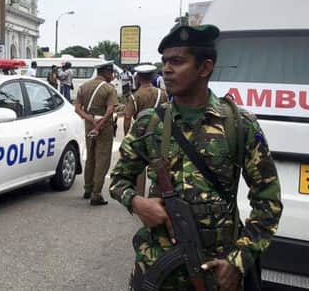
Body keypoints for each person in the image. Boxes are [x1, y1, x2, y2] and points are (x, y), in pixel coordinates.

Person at [109, 24, 282, 291]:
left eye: (177, 61)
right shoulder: (149, 123)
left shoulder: (239, 124)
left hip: (216, 271)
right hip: (157, 269)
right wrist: (137, 203)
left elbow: (267, 202)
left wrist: (238, 261)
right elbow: (119, 179)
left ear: (205, 68)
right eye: (165, 61)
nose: (167, 69)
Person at [74, 61, 118, 206]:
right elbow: (110, 110)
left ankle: (87, 188)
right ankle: (96, 194)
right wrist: (98, 125)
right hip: (103, 126)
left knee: (90, 156)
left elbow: (78, 109)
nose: (112, 76)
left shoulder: (83, 87)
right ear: (105, 72)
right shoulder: (109, 89)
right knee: (102, 158)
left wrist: (90, 120)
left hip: (89, 125)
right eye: (111, 73)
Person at [123, 64, 168, 197]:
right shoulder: (162, 93)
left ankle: (140, 196)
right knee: (159, 165)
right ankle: (159, 196)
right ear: (152, 76)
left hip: (140, 133)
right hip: (159, 133)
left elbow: (127, 117)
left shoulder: (134, 96)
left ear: (138, 78)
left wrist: (127, 135)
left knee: (140, 167)